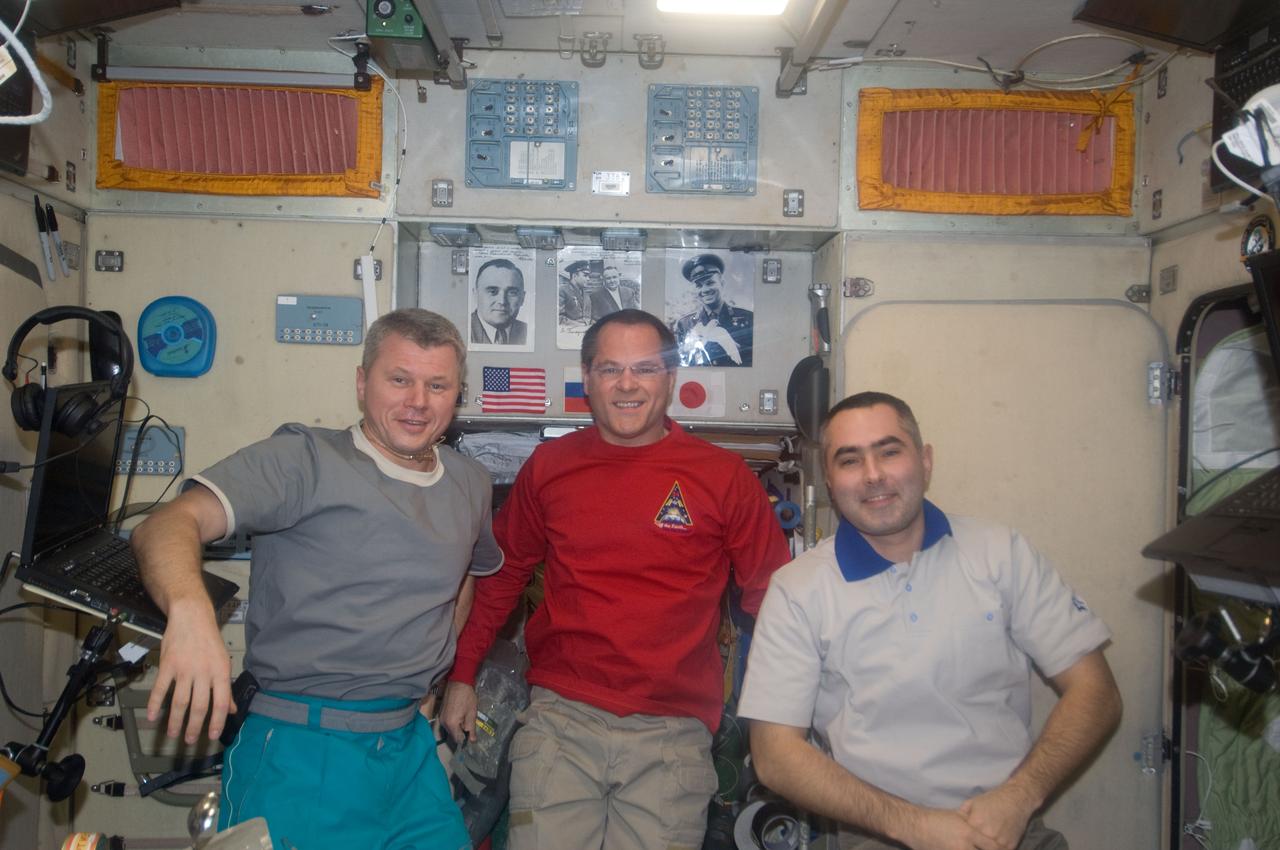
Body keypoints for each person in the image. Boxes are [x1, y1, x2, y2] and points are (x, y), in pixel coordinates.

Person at [132, 308, 502, 850]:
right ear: (362, 382)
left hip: (408, 752)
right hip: (301, 748)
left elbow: (462, 573)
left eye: (437, 385)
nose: (418, 401)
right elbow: (166, 524)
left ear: (457, 394)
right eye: (399, 380)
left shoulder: (469, 481)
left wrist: (432, 682)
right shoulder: (303, 460)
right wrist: (190, 615)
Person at [442, 309, 791, 850]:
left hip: (673, 733)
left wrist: (785, 716)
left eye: (645, 369)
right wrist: (462, 674)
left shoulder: (724, 479)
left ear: (670, 379)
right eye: (610, 369)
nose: (627, 384)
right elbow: (503, 575)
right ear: (588, 378)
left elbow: (773, 601)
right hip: (561, 722)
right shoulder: (550, 467)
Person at [739, 391, 1122, 850]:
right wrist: (918, 827)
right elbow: (774, 755)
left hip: (1006, 827)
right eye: (850, 460)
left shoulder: (1000, 553)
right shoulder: (797, 590)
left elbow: (1095, 691)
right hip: (877, 832)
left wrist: (1019, 798)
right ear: (830, 479)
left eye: (889, 451)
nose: (874, 476)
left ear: (925, 460)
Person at [672, 253, 753, 367]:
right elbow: (681, 363)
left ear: (722, 283)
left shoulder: (748, 318)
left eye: (710, 283)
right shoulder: (685, 325)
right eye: (698, 285)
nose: (705, 290)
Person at [471, 258, 529, 345]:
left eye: (512, 293)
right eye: (492, 291)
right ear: (475, 294)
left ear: (522, 298)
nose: (502, 301)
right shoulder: (462, 329)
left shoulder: (527, 331)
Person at [559, 259, 591, 325]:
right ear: (574, 276)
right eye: (585, 275)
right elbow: (558, 317)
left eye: (589, 276)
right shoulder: (563, 290)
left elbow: (588, 316)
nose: (588, 279)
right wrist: (577, 324)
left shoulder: (586, 294)